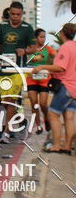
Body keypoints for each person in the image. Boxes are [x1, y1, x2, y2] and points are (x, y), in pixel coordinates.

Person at [0, 1, 35, 144]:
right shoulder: (2, 27)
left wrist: (25, 51)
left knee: (11, 100)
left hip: (18, 69)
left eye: (18, 15)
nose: (15, 17)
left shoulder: (27, 28)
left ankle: (7, 133)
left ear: (22, 14)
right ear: (9, 13)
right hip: (3, 68)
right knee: (4, 102)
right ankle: (21, 121)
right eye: (13, 14)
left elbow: (33, 48)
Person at [31, 23, 76, 153]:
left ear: (62, 33)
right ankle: (67, 147)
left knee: (53, 115)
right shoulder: (75, 46)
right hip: (74, 87)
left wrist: (41, 67)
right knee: (69, 117)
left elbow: (60, 67)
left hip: (66, 86)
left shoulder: (66, 47)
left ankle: (56, 145)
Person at [25, 28, 55, 137]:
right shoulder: (30, 49)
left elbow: (57, 56)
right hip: (31, 79)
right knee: (34, 103)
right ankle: (38, 126)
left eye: (44, 37)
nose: (43, 39)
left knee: (43, 104)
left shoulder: (48, 49)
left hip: (44, 80)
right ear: (35, 38)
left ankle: (46, 118)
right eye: (41, 37)